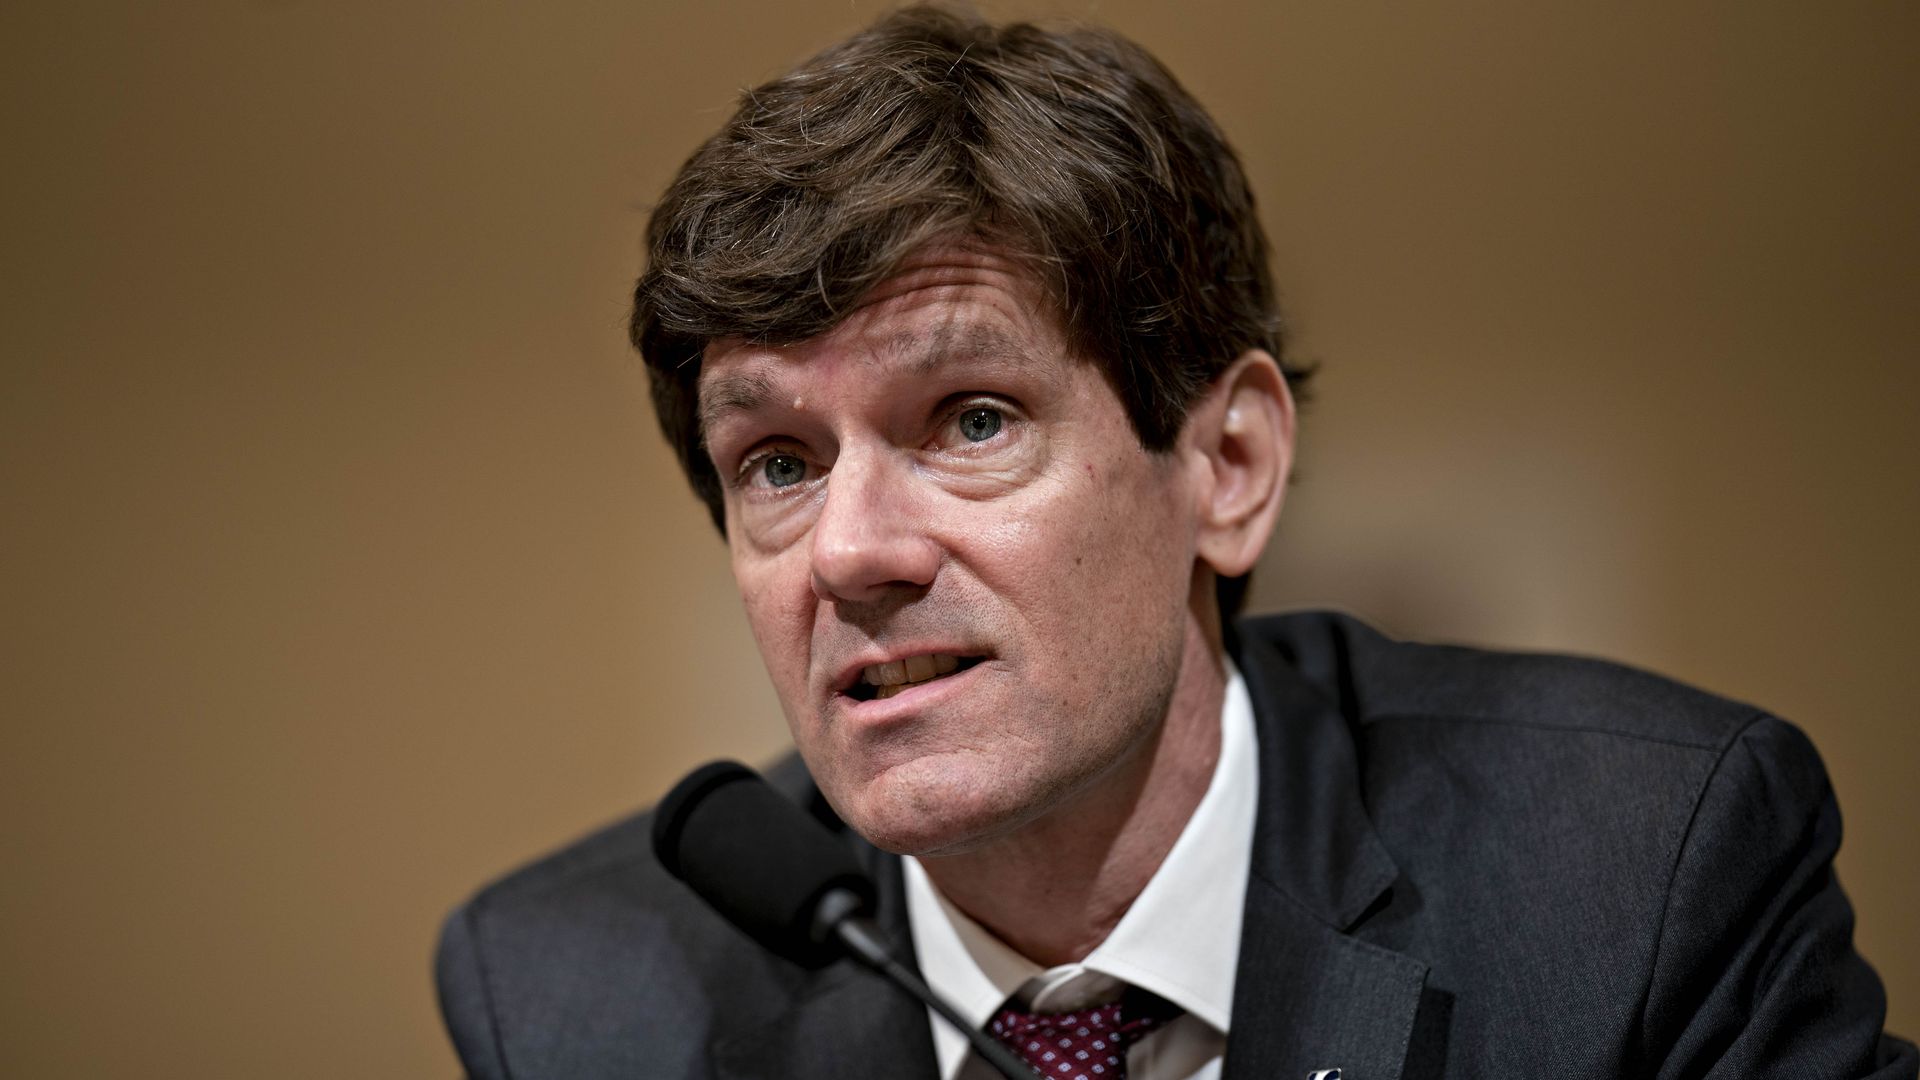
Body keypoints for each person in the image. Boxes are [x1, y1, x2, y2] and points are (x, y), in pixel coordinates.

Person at [435, 7, 1915, 1078]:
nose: (851, 552)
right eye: (777, 462)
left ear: (1228, 465)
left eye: (971, 421)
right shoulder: (577, 1000)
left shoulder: (1639, 874)